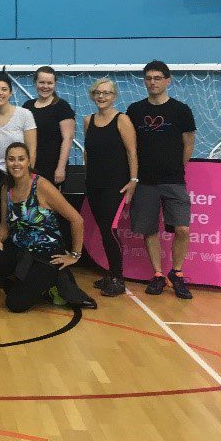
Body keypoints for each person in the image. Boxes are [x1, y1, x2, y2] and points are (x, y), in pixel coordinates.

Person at [0, 143, 96, 312]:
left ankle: (55, 280)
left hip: (46, 254)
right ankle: (30, 281)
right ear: (6, 162)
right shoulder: (7, 188)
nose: (16, 163)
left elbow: (77, 220)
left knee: (15, 304)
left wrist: (75, 255)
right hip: (22, 251)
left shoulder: (41, 186)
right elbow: (5, 224)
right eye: (11, 159)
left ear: (28, 162)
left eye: (21, 159)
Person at [126, 61, 196, 300]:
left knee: (183, 229)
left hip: (174, 180)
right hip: (145, 182)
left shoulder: (181, 110)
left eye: (157, 77)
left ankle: (176, 273)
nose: (152, 82)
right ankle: (157, 274)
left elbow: (188, 143)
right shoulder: (134, 110)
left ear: (168, 80)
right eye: (148, 78)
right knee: (149, 230)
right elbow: (130, 145)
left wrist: (177, 168)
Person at [84, 77, 138, 297]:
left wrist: (133, 181)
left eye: (106, 93)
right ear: (92, 94)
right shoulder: (88, 120)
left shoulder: (122, 120)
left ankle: (118, 278)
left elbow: (132, 152)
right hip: (94, 185)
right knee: (104, 232)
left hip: (116, 187)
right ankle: (111, 273)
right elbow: (88, 153)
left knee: (110, 230)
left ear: (114, 96)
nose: (101, 96)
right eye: (98, 92)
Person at [0, 73, 37, 252]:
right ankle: (0, 260)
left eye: (4, 89)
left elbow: (31, 148)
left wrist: (27, 175)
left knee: (21, 215)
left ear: (10, 93)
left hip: (20, 173)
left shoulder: (24, 114)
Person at [23, 66, 76, 188]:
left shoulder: (62, 107)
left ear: (55, 84)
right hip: (31, 165)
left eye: (49, 83)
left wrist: (61, 168)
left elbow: (67, 139)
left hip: (53, 167)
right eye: (41, 82)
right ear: (35, 82)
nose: (45, 86)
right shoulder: (27, 106)